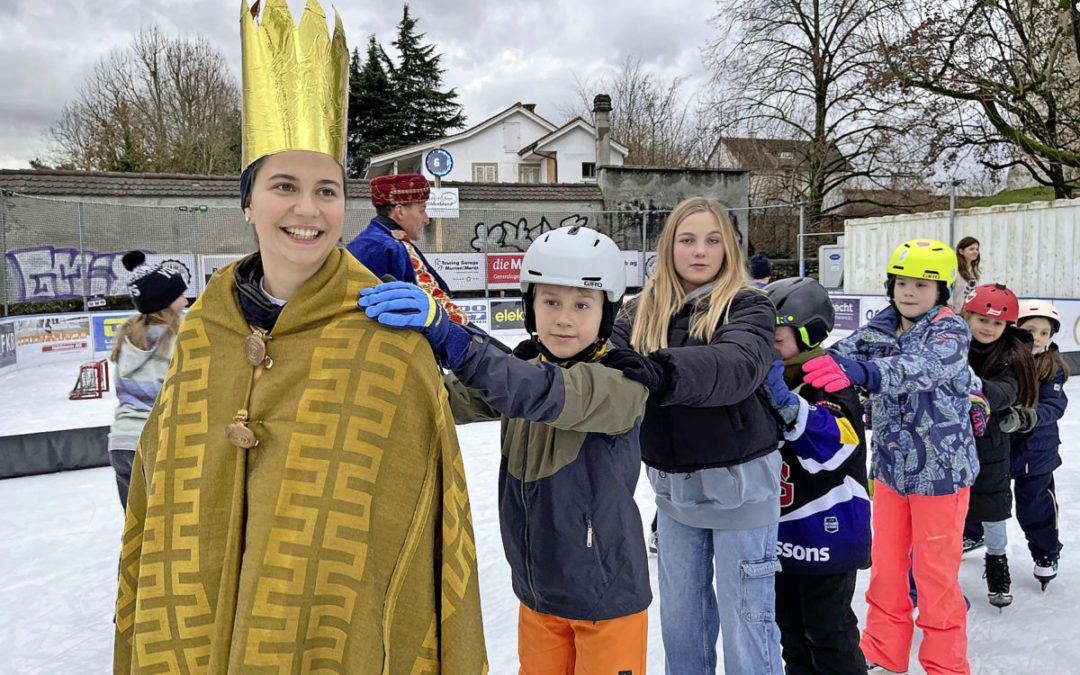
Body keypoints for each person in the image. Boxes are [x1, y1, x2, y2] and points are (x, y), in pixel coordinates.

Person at [113, 2, 487, 672]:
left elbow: (427, 522)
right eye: (284, 185)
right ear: (248, 201)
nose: (308, 209)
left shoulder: (385, 339)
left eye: (327, 189)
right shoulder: (203, 334)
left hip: (332, 639)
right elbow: (159, 502)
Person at [359, 226, 652, 674]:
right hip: (537, 592)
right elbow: (445, 397)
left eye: (581, 304)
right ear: (529, 307)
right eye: (550, 301)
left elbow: (538, 392)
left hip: (605, 598)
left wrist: (452, 336)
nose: (564, 318)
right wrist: (382, 365)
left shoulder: (620, 382)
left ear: (606, 312)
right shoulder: (526, 366)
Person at [605, 196, 783, 674]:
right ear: (668, 247)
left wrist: (659, 372)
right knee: (682, 628)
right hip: (674, 492)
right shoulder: (635, 312)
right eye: (687, 240)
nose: (699, 251)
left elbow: (737, 367)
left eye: (712, 240)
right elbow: (603, 371)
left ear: (729, 248)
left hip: (742, 488)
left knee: (748, 628)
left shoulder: (748, 305)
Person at [802, 238, 976, 675]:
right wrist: (798, 362)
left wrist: (867, 373)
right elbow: (838, 357)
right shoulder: (880, 328)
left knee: (935, 577)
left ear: (940, 291)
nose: (909, 291)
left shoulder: (950, 330)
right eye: (901, 282)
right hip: (892, 471)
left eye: (921, 284)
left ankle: (945, 663)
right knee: (887, 567)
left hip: (942, 472)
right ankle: (883, 647)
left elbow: (922, 368)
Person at [762, 276, 871, 674]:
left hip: (828, 531)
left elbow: (834, 449)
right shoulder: (769, 381)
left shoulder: (827, 381)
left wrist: (790, 406)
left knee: (828, 634)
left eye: (776, 338)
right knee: (789, 633)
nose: (767, 348)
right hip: (781, 534)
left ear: (810, 334)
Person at [957, 283, 1039, 608]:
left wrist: (973, 386)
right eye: (982, 319)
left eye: (997, 323)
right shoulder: (952, 344)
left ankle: (997, 561)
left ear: (1007, 326)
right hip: (948, 442)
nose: (988, 328)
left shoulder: (1011, 355)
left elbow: (1007, 392)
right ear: (968, 316)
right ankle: (941, 569)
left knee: (992, 510)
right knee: (948, 510)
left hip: (990, 445)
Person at [107, 251, 187, 510]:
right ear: (164, 302)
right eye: (179, 295)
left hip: (120, 444)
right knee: (164, 529)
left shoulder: (128, 338)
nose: (186, 301)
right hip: (154, 444)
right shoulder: (175, 340)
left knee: (136, 531)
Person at [346, 173, 470, 324]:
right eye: (422, 209)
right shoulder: (393, 247)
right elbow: (441, 315)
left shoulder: (368, 241)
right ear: (400, 211)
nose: (426, 219)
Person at [1012, 299, 1069, 590]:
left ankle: (1046, 552)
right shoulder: (1002, 359)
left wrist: (1028, 417)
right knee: (981, 495)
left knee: (1035, 504)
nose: (1037, 337)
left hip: (1037, 451)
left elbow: (1054, 406)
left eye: (1044, 332)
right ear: (1016, 328)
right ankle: (972, 532)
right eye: (1030, 329)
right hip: (999, 448)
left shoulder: (1051, 366)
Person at [950, 236, 981, 311]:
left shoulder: (975, 271)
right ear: (961, 251)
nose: (975, 252)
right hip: (955, 312)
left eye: (977, 249)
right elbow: (949, 292)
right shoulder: (954, 269)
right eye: (971, 249)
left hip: (970, 313)